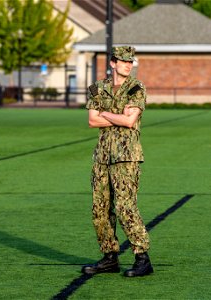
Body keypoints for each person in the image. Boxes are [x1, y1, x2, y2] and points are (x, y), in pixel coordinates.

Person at [82, 46, 153, 277]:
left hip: (126, 156)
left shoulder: (136, 87)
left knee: (125, 207)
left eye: (130, 61)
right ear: (112, 63)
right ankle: (109, 257)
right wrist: (117, 116)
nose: (128, 65)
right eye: (123, 61)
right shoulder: (97, 88)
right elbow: (92, 121)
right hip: (102, 156)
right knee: (100, 209)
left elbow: (130, 121)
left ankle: (142, 257)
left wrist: (105, 114)